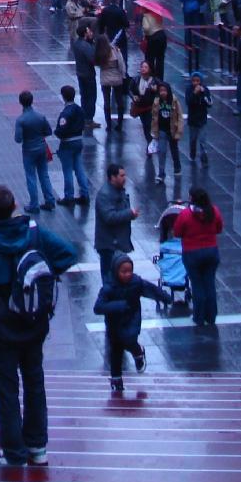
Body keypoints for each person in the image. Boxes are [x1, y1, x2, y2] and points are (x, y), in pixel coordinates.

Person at [0, 184, 77, 467]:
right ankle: (38, 447)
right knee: (34, 382)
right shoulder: (34, 233)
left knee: (6, 389)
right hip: (32, 320)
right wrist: (42, 275)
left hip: (0, 321)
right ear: (15, 204)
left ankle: (13, 454)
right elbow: (68, 253)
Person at [93, 253, 169, 395]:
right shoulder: (108, 288)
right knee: (116, 350)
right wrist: (117, 306)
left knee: (129, 339)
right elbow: (98, 308)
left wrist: (164, 297)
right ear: (116, 272)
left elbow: (151, 289)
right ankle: (116, 379)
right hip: (114, 324)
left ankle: (138, 353)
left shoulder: (136, 283)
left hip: (131, 319)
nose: (127, 275)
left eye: (130, 271)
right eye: (124, 272)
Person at [172, 188, 223, 327]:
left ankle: (198, 317)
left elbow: (177, 232)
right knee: (210, 284)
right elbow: (219, 228)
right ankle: (211, 316)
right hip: (211, 252)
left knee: (197, 285)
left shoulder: (185, 215)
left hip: (192, 254)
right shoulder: (214, 211)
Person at [94, 164, 138, 284]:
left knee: (117, 279)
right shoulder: (105, 194)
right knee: (110, 279)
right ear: (113, 177)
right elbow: (109, 217)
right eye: (121, 175)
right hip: (110, 245)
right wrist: (129, 214)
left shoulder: (118, 190)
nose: (125, 178)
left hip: (117, 243)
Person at [13, 90, 56, 213]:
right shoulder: (40, 116)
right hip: (42, 148)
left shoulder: (21, 120)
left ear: (20, 102)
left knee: (31, 177)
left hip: (28, 150)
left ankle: (34, 205)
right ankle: (50, 200)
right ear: (32, 101)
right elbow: (48, 132)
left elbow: (18, 139)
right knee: (44, 175)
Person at [52, 85, 91, 207]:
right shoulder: (79, 109)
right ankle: (85, 194)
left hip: (67, 142)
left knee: (67, 170)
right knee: (79, 168)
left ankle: (69, 196)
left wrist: (57, 132)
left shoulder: (65, 113)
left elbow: (61, 129)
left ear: (63, 97)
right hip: (79, 140)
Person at [150, 81, 183, 189]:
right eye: (161, 91)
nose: (163, 93)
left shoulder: (174, 101)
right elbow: (154, 117)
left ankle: (177, 167)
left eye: (165, 90)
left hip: (172, 130)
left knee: (174, 151)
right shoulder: (156, 101)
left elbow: (180, 116)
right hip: (162, 130)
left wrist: (179, 132)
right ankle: (161, 173)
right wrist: (154, 132)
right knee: (162, 151)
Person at [96, 33, 127, 132]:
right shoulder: (115, 50)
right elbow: (121, 64)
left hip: (105, 78)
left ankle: (108, 125)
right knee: (119, 101)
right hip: (116, 77)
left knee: (106, 101)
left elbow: (97, 65)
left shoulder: (98, 53)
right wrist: (123, 75)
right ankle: (120, 123)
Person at [73, 23, 98, 127]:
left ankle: (85, 117)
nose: (91, 33)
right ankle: (89, 118)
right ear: (85, 33)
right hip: (88, 74)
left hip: (80, 72)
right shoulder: (86, 46)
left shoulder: (76, 43)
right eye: (89, 31)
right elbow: (93, 59)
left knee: (84, 96)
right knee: (91, 96)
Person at [185, 72, 211, 169]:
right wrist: (194, 94)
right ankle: (192, 153)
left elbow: (210, 103)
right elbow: (188, 102)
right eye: (193, 81)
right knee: (193, 139)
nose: (195, 83)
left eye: (197, 81)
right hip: (192, 120)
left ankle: (204, 159)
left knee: (203, 140)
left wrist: (203, 94)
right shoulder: (189, 90)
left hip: (202, 119)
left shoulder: (205, 90)